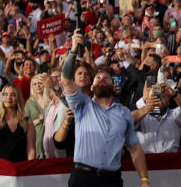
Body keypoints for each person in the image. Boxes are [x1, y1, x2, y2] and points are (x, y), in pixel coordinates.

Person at [62, 29, 150, 187]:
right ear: (91, 86)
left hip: (112, 180)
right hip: (82, 178)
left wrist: (144, 179)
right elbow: (66, 79)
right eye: (98, 78)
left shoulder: (123, 113)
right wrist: (74, 49)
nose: (102, 79)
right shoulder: (82, 104)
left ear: (114, 85)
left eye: (106, 78)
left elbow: (135, 149)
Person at [0, 84, 36, 161]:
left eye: (13, 95)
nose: (9, 98)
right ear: (1, 97)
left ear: (18, 98)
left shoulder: (27, 122)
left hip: (19, 168)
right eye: (5, 95)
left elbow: (31, 150)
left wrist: (29, 168)